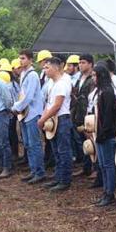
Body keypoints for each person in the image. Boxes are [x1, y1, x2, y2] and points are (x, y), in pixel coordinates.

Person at [38, 57, 73, 192]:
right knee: (56, 151)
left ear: (56, 68)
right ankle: (58, 178)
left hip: (62, 119)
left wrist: (42, 119)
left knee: (63, 151)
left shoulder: (62, 83)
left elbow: (57, 105)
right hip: (52, 120)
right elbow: (49, 104)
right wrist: (44, 117)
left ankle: (65, 180)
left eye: (47, 67)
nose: (45, 70)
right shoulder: (52, 83)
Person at [13, 50, 46, 184]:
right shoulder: (23, 74)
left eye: (24, 58)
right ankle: (33, 171)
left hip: (32, 113)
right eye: (20, 58)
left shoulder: (32, 75)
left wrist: (17, 107)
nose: (21, 61)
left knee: (34, 144)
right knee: (27, 144)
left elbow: (29, 96)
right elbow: (22, 94)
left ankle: (40, 172)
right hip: (25, 114)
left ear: (30, 60)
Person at [93, 63, 116, 207]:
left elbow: (109, 115)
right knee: (103, 165)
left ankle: (110, 193)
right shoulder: (101, 91)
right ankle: (105, 191)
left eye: (94, 75)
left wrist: (103, 133)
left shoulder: (108, 92)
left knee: (108, 165)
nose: (93, 78)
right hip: (100, 133)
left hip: (106, 134)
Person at [71, 54, 96, 178]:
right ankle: (86, 167)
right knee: (84, 142)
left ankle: (95, 168)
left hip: (89, 114)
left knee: (92, 140)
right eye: (80, 62)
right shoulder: (80, 77)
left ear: (90, 64)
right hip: (78, 113)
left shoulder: (93, 78)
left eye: (83, 62)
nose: (81, 65)